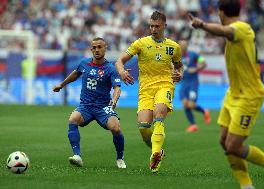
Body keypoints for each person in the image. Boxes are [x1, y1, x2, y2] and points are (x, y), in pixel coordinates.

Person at [188, 0, 264, 189]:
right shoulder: (236, 31)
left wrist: (203, 25)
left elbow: (226, 32)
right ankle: (246, 186)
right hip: (233, 94)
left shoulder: (242, 28)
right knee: (224, 141)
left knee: (233, 145)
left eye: (218, 13)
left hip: (249, 95)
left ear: (221, 13)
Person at [115, 11, 183, 173]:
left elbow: (179, 66)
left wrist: (180, 74)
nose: (153, 29)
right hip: (145, 88)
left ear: (164, 26)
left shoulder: (174, 47)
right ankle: (158, 150)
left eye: (157, 26)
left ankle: (155, 156)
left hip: (165, 85)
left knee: (159, 114)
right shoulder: (140, 43)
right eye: (151, 26)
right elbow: (120, 61)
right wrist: (122, 71)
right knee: (144, 128)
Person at [53, 37, 126, 169]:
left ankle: (120, 158)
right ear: (91, 49)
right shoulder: (84, 63)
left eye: (99, 47)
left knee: (115, 128)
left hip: (103, 107)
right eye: (94, 47)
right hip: (86, 106)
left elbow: (117, 87)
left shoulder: (110, 68)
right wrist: (61, 85)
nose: (97, 50)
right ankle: (77, 156)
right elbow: (76, 74)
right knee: (73, 119)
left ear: (105, 48)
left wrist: (114, 100)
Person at [179, 39, 211, 133]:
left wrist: (196, 68)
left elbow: (204, 63)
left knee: (191, 105)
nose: (183, 46)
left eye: (184, 44)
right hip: (184, 83)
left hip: (193, 83)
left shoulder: (194, 55)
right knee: (185, 104)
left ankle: (204, 111)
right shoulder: (176, 56)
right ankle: (193, 125)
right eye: (181, 44)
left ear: (187, 46)